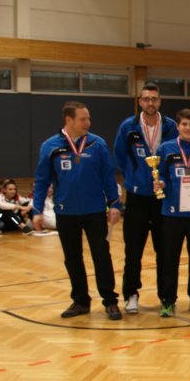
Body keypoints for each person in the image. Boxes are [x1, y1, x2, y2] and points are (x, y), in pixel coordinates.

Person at [32, 101, 122, 320]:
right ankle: (81, 301)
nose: (88, 123)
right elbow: (42, 180)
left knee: (101, 256)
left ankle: (110, 300)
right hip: (66, 212)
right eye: (83, 119)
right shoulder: (50, 146)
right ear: (69, 120)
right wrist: (37, 210)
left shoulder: (97, 144)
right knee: (72, 258)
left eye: (88, 118)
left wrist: (114, 204)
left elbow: (108, 177)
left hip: (94, 211)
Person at [114, 82, 178, 314]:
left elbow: (176, 155)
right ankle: (131, 294)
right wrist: (135, 178)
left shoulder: (170, 126)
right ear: (140, 101)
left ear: (159, 101)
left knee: (165, 250)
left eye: (154, 99)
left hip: (163, 198)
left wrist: (164, 181)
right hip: (137, 198)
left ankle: (166, 297)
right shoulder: (128, 127)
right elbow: (119, 157)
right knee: (133, 250)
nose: (150, 103)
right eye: (146, 99)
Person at [154, 109, 190, 318]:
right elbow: (160, 175)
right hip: (172, 214)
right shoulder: (165, 149)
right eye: (184, 124)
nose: (188, 128)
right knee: (170, 259)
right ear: (177, 127)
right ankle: (168, 301)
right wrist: (160, 183)